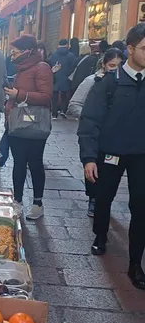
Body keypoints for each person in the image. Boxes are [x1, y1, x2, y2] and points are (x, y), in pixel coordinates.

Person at [78, 23, 145, 290]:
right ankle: (101, 235)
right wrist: (89, 158)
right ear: (130, 49)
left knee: (140, 208)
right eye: (144, 48)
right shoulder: (110, 83)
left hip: (141, 155)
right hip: (111, 153)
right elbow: (90, 120)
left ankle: (134, 264)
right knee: (103, 196)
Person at [68, 48, 123, 217]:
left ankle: (103, 200)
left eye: (119, 65)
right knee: (93, 167)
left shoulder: (127, 83)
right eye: (111, 65)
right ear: (104, 64)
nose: (115, 69)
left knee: (109, 173)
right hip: (93, 135)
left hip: (115, 139)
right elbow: (74, 104)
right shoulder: (92, 81)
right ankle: (93, 198)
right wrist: (89, 116)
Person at [5, 35, 53, 220]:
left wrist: (19, 94)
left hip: (35, 124)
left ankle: (37, 203)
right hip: (17, 123)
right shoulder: (20, 68)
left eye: (14, 52)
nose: (11, 55)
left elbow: (45, 96)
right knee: (18, 163)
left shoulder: (42, 68)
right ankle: (17, 201)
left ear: (27, 51)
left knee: (34, 163)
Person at [49, 39, 77, 118]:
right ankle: (63, 110)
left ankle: (54, 113)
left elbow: (50, 64)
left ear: (59, 44)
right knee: (64, 95)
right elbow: (74, 66)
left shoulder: (54, 55)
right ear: (67, 45)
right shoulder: (71, 55)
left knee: (54, 95)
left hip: (55, 78)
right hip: (66, 78)